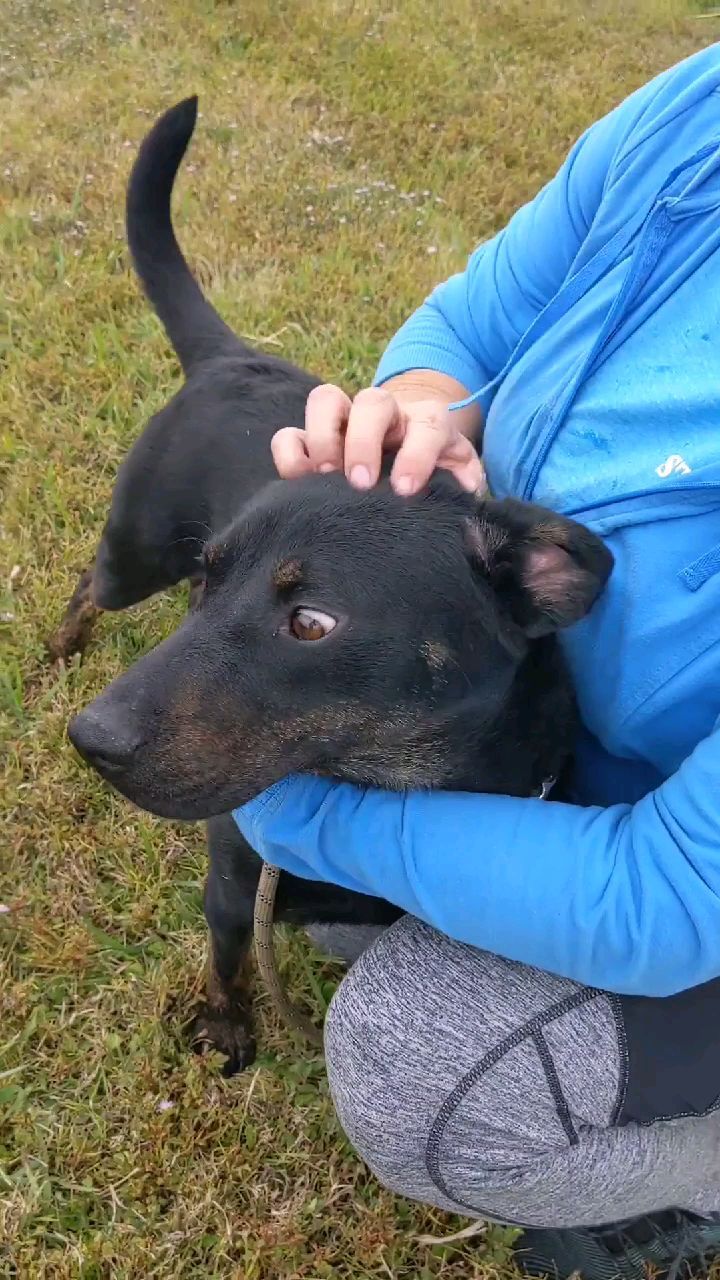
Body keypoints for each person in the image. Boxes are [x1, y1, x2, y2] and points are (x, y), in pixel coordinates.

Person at [233, 42, 720, 1279]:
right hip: (598, 759)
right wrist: (420, 405)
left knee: (425, 1064)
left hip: (689, 875)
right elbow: (479, 316)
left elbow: (665, 899)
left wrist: (300, 814)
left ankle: (697, 1171)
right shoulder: (698, 108)